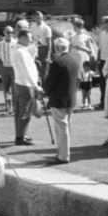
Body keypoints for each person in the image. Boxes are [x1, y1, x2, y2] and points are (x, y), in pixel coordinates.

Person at [41, 37, 81, 165]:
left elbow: (50, 81)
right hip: (71, 98)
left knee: (61, 128)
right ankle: (63, 153)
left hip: (59, 99)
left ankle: (63, 155)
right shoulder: (74, 60)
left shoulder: (58, 62)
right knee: (66, 126)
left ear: (57, 48)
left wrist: (44, 92)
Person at [10, 28, 40, 145]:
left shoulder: (19, 49)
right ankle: (20, 137)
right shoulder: (20, 52)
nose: (31, 40)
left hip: (21, 83)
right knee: (25, 112)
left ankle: (21, 134)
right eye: (29, 38)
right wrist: (35, 85)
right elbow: (26, 70)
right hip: (25, 85)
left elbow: (28, 51)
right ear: (22, 38)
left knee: (20, 111)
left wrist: (34, 46)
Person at [0, 26, 17, 111]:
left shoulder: (16, 43)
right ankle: (8, 106)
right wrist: (1, 68)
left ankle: (15, 106)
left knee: (15, 88)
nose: (10, 34)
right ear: (4, 32)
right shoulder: (0, 44)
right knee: (6, 88)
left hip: (14, 68)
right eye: (8, 32)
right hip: (5, 68)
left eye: (11, 32)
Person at [29, 11, 53, 78]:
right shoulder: (32, 27)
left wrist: (48, 55)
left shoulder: (46, 28)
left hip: (43, 49)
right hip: (34, 48)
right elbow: (30, 39)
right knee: (34, 68)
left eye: (40, 18)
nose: (39, 20)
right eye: (37, 18)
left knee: (43, 70)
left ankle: (44, 86)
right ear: (34, 18)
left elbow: (49, 42)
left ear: (43, 18)